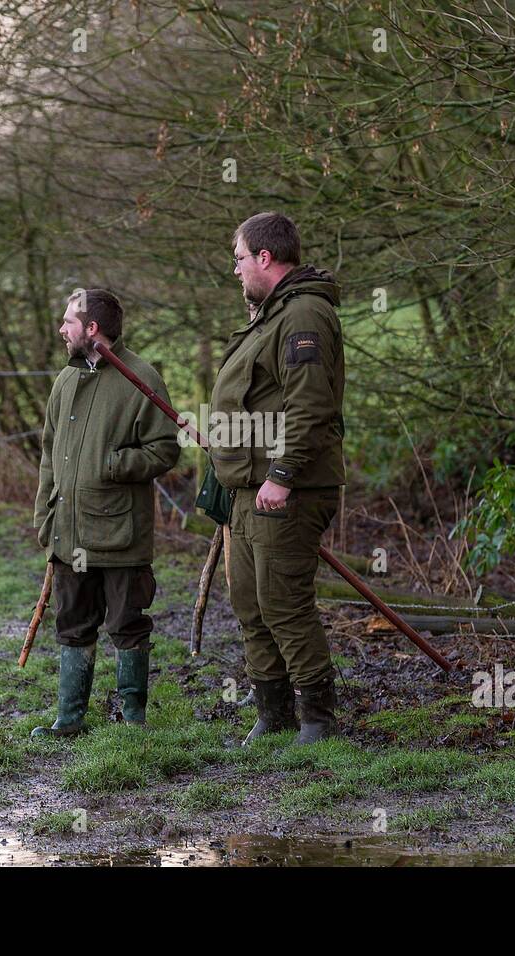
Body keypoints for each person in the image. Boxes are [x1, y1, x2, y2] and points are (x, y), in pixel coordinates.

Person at [210, 211, 347, 745]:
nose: (237, 270)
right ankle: (273, 715)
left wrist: (284, 473)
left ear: (265, 257)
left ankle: (317, 721)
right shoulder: (268, 315)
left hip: (286, 488)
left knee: (283, 603)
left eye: (240, 259)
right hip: (247, 487)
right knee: (249, 602)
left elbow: (310, 406)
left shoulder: (305, 315)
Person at [31, 289, 180, 737]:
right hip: (69, 530)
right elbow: (47, 453)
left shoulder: (142, 378)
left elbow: (166, 449)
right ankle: (69, 720)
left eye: (68, 322)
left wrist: (114, 464)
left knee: (126, 625)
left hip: (121, 534)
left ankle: (133, 721)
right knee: (73, 623)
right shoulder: (65, 381)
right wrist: (44, 515)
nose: (62, 330)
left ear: (91, 328)